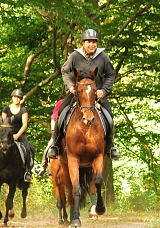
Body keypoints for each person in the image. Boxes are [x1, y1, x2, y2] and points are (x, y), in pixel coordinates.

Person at [47, 29, 121, 160]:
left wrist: (104, 90)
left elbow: (111, 74)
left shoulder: (103, 57)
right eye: (89, 42)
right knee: (61, 113)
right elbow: (65, 70)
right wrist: (70, 86)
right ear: (83, 43)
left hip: (96, 95)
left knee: (109, 117)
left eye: (94, 42)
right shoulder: (75, 56)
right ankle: (55, 145)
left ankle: (111, 146)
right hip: (77, 93)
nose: (92, 45)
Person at [0, 89, 34, 182]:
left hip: (19, 133)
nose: (16, 99)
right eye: (15, 97)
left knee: (28, 149)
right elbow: (3, 123)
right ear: (12, 98)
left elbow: (24, 124)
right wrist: (6, 134)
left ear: (20, 99)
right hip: (6, 134)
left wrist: (17, 135)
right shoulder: (6, 109)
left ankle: (27, 172)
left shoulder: (23, 110)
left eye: (18, 98)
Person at [33, 91, 68, 177]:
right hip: (61, 132)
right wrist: (53, 132)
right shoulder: (61, 102)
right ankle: (43, 167)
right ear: (67, 91)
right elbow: (53, 118)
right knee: (48, 148)